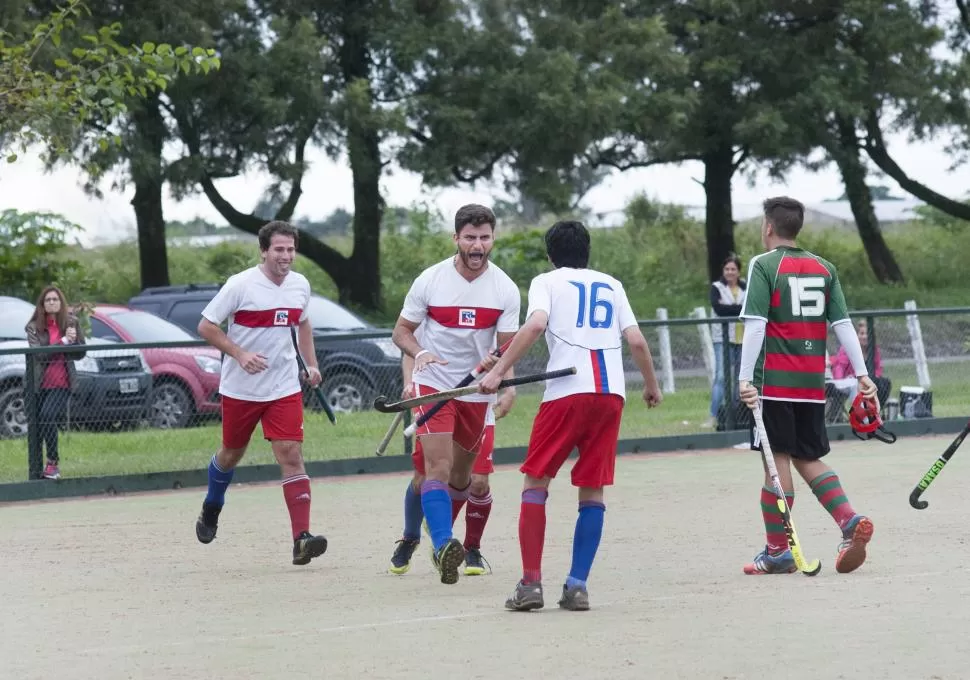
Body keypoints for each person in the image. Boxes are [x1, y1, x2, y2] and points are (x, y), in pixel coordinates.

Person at [479, 220, 663, 612]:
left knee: (536, 483)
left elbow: (536, 325)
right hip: (610, 394)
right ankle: (577, 586)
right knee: (592, 490)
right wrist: (651, 385)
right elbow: (636, 340)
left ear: (550, 254)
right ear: (588, 252)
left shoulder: (546, 281)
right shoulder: (612, 284)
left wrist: (497, 373)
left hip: (566, 393)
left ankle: (530, 584)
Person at [737, 196, 878, 576]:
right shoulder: (824, 268)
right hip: (813, 384)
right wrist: (863, 374)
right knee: (807, 457)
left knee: (776, 463)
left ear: (768, 226)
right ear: (797, 228)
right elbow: (843, 325)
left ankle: (777, 552)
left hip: (774, 384)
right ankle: (849, 520)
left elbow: (755, 324)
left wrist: (744, 377)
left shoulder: (764, 265)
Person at [391, 203, 521, 585]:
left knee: (464, 480)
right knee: (437, 469)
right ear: (456, 239)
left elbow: (507, 347)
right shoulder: (430, 280)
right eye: (470, 238)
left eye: (484, 237)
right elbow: (401, 332)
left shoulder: (505, 289)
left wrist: (504, 381)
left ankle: (438, 538)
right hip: (433, 385)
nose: (477, 245)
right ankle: (444, 544)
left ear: (493, 238)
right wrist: (420, 354)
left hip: (476, 394)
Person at [193, 220, 329, 566]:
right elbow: (206, 325)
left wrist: (311, 365)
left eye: (291, 249)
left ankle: (301, 539)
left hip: (283, 387)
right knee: (231, 454)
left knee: (291, 454)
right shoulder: (240, 285)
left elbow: (303, 324)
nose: (286, 256)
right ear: (264, 251)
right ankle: (212, 506)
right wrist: (239, 354)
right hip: (241, 389)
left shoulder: (300, 285)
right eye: (279, 249)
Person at [388, 347, 516, 577]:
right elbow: (408, 346)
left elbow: (507, 345)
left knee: (477, 482)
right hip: (437, 399)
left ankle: (466, 547)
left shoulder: (496, 311)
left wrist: (510, 388)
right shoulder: (428, 313)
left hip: (478, 402)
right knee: (423, 478)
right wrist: (409, 381)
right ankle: (411, 537)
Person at [25, 285, 87, 480]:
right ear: (42, 305)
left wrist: (74, 342)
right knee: (37, 425)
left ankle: (52, 463)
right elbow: (40, 355)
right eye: (48, 300)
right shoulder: (34, 327)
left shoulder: (71, 323)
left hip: (62, 382)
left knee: (47, 415)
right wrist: (64, 342)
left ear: (61, 303)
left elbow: (80, 353)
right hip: (38, 384)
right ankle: (37, 471)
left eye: (55, 299)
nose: (52, 302)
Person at [706, 253, 746, 429]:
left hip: (743, 339)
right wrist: (739, 309)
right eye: (727, 269)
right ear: (723, 271)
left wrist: (731, 309)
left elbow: (750, 307)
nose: (730, 272)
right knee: (721, 377)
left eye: (733, 269)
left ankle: (737, 415)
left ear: (738, 271)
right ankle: (713, 416)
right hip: (722, 338)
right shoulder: (716, 287)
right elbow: (719, 309)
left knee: (741, 379)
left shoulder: (746, 287)